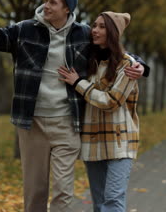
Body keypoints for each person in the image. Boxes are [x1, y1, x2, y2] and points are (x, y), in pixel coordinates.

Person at [0, 0, 148, 212]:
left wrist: (141, 66)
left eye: (53, 2)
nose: (46, 5)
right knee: (35, 190)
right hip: (33, 123)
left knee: (63, 190)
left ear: (67, 9)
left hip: (67, 123)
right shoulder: (25, 30)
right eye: (46, 0)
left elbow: (113, 50)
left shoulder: (82, 34)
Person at [58, 11, 139, 212]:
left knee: (112, 200)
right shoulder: (89, 62)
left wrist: (78, 83)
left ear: (113, 32)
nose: (95, 30)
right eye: (94, 25)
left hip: (120, 142)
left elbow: (111, 101)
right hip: (93, 143)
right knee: (99, 204)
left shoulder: (127, 64)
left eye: (102, 26)